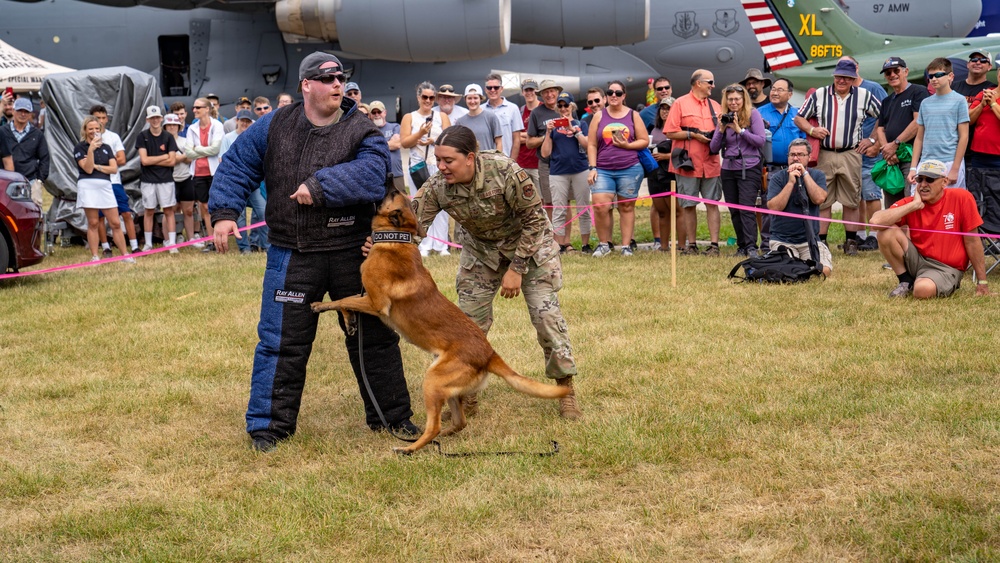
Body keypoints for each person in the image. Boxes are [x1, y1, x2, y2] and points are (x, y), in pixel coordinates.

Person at [209, 52, 416, 452]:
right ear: (307, 85)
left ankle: (392, 418)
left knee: (373, 340)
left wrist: (321, 187)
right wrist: (223, 212)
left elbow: (375, 175)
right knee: (280, 341)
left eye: (341, 77)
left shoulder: (361, 128)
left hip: (351, 253)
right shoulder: (275, 124)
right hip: (291, 252)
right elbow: (236, 166)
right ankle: (268, 429)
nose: (338, 84)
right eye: (328, 78)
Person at [413, 124, 581, 420]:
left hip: (530, 248)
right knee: (463, 329)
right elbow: (413, 225)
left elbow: (534, 220)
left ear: (471, 157)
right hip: (482, 253)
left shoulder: (504, 171)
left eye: (448, 160)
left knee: (547, 320)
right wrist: (384, 244)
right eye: (438, 160)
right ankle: (465, 396)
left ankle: (566, 388)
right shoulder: (439, 185)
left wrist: (516, 269)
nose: (441, 167)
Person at [794, 59, 881, 254]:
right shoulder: (820, 94)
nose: (841, 80)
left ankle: (851, 241)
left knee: (851, 198)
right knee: (823, 199)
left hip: (851, 152)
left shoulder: (864, 95)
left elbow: (883, 116)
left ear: (853, 78)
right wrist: (812, 129)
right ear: (834, 76)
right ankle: (822, 242)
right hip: (825, 153)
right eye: (839, 76)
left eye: (846, 77)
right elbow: (799, 117)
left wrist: (872, 140)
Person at [872, 159, 989, 298]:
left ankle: (923, 282)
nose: (923, 185)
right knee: (885, 232)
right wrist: (913, 205)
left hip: (946, 268)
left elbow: (973, 242)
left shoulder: (962, 198)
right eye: (920, 179)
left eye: (930, 180)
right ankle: (906, 281)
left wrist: (982, 282)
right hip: (918, 260)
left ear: (944, 182)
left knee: (922, 290)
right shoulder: (914, 202)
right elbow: (875, 222)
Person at [665, 69, 724, 255]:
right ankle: (692, 245)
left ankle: (714, 246)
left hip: (711, 162)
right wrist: (694, 135)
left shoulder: (716, 105)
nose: (713, 86)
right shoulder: (680, 103)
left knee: (712, 203)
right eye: (710, 82)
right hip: (687, 163)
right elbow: (670, 132)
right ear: (698, 83)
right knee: (688, 205)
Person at [586, 80, 648, 257]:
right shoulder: (599, 116)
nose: (614, 95)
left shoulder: (633, 115)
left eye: (618, 93)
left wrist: (627, 146)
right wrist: (592, 167)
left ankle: (626, 246)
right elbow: (591, 144)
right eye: (610, 92)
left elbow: (644, 140)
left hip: (629, 168)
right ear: (606, 96)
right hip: (603, 169)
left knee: (626, 207)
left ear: (624, 96)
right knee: (600, 205)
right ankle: (604, 244)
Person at [710, 83, 767, 256]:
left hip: (749, 167)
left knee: (746, 208)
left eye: (737, 99)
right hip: (728, 167)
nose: (734, 102)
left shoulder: (753, 114)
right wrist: (721, 129)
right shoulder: (724, 117)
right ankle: (742, 246)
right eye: (730, 99)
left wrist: (740, 130)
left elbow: (760, 141)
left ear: (744, 100)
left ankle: (751, 247)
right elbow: (713, 148)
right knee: (734, 209)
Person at [766, 138, 833, 275]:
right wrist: (790, 183)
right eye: (792, 155)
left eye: (800, 155)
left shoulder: (817, 175)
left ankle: (804, 269)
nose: (796, 158)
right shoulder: (777, 178)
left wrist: (805, 175)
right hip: (782, 240)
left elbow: (819, 198)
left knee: (823, 271)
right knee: (788, 270)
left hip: (809, 240)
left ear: (809, 157)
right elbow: (773, 207)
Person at [400, 81, 452, 256]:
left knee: (442, 204)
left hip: (438, 165)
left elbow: (450, 141)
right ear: (418, 98)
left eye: (431, 97)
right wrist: (420, 134)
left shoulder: (442, 117)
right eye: (425, 97)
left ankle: (441, 245)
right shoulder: (410, 117)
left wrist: (434, 141)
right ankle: (424, 243)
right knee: (420, 204)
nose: (428, 100)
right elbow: (405, 142)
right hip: (417, 166)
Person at [74, 116, 134, 263]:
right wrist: (91, 150)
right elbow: (87, 169)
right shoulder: (80, 147)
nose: (94, 131)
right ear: (85, 131)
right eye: (91, 129)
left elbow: (114, 169)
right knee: (93, 222)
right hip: (88, 186)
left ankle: (125, 254)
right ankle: (95, 256)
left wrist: (98, 167)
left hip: (106, 186)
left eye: (97, 128)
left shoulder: (107, 147)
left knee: (115, 222)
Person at [875, 57, 930, 208]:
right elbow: (880, 128)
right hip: (891, 159)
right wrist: (887, 150)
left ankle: (911, 233)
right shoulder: (887, 101)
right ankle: (893, 232)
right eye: (887, 73)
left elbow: (918, 122)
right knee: (892, 206)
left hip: (911, 158)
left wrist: (896, 144)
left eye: (896, 71)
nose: (892, 75)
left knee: (910, 201)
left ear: (906, 71)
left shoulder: (918, 92)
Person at [541, 91, 592, 253]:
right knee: (559, 209)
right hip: (558, 171)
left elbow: (587, 146)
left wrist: (575, 130)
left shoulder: (581, 123)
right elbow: (545, 153)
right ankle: (560, 245)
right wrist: (548, 133)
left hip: (580, 169)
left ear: (572, 106)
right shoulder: (553, 126)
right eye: (560, 106)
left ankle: (585, 244)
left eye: (566, 105)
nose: (563, 109)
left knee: (583, 208)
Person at [908, 58, 969, 189]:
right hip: (926, 162)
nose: (934, 79)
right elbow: (919, 138)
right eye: (931, 76)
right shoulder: (925, 103)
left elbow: (964, 136)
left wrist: (955, 169)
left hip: (949, 161)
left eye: (939, 75)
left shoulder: (959, 101)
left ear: (950, 76)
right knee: (920, 203)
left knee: (950, 206)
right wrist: (913, 167)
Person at [89, 104, 139, 256]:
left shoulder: (113, 137)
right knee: (100, 217)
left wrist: (101, 163)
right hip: (96, 182)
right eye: (98, 118)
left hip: (114, 181)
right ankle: (106, 247)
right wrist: (109, 162)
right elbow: (86, 163)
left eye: (104, 118)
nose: (101, 121)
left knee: (125, 213)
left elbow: (122, 159)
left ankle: (134, 245)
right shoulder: (87, 141)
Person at [219, 109, 266, 255]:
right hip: (236, 186)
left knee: (263, 212)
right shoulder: (228, 138)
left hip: (253, 184)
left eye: (247, 121)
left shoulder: (254, 137)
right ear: (237, 121)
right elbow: (222, 160)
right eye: (242, 120)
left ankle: (265, 245)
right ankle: (244, 248)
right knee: (239, 217)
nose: (244, 123)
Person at [137, 105, 178, 252]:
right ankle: (148, 243)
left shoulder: (168, 137)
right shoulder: (142, 136)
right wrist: (164, 156)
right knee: (149, 211)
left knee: (169, 210)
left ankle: (172, 243)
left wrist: (153, 159)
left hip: (165, 179)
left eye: (157, 117)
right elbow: (144, 161)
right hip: (148, 180)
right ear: (148, 119)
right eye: (152, 118)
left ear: (161, 118)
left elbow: (172, 161)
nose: (155, 120)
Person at [185, 97, 224, 251]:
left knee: (216, 206)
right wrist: (204, 150)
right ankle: (212, 241)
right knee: (205, 207)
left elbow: (215, 150)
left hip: (214, 171)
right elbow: (188, 153)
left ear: (207, 109)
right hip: (198, 173)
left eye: (198, 107)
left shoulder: (217, 125)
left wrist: (197, 149)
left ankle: (221, 238)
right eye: (194, 108)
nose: (194, 110)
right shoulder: (191, 128)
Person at [525, 79, 564, 223]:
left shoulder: (565, 107)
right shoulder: (536, 113)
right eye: (546, 92)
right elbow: (529, 143)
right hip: (546, 164)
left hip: (565, 162)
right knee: (548, 202)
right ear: (541, 95)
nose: (549, 94)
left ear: (557, 92)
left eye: (552, 91)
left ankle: (565, 242)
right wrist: (548, 135)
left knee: (565, 203)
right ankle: (552, 240)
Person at [648, 98, 679, 251]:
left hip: (672, 172)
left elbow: (686, 152)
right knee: (662, 211)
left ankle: (681, 246)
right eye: (663, 108)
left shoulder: (680, 128)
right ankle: (664, 246)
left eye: (669, 108)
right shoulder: (653, 129)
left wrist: (666, 156)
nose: (666, 111)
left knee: (678, 211)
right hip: (655, 173)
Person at [0, 98, 49, 193]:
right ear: (13, 111)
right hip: (5, 181)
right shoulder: (2, 132)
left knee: (32, 208)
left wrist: (39, 181)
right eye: (20, 111)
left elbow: (45, 159)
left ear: (30, 114)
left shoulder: (37, 134)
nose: (23, 114)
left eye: (26, 111)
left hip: (30, 181)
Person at [164, 113, 197, 246]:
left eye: (174, 125)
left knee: (188, 210)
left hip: (185, 177)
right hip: (169, 179)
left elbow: (191, 158)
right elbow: (169, 161)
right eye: (169, 125)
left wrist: (178, 158)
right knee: (170, 210)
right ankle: (168, 239)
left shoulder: (184, 141)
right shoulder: (163, 141)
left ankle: (191, 238)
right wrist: (182, 156)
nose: (172, 127)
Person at [483, 73, 522, 160]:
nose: (493, 90)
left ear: (501, 89)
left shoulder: (513, 109)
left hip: (505, 160)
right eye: (489, 88)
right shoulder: (481, 110)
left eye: (496, 87)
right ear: (485, 90)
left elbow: (516, 140)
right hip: (484, 161)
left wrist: (511, 162)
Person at [369, 100, 405, 194]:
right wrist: (389, 143)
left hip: (396, 174)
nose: (377, 114)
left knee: (401, 203)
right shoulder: (368, 131)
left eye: (379, 112)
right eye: (374, 112)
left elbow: (397, 144)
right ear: (370, 115)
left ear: (385, 112)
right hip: (377, 176)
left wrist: (376, 146)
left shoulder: (395, 126)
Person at [456, 84, 502, 151]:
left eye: (475, 98)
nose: (472, 101)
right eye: (469, 98)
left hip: (488, 160)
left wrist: (498, 159)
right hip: (469, 160)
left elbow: (499, 142)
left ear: (481, 99)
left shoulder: (491, 117)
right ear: (465, 99)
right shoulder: (460, 122)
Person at [516, 78, 541, 195]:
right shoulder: (519, 111)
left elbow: (545, 135)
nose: (529, 93)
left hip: (539, 164)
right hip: (522, 163)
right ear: (522, 92)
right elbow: (516, 137)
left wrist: (526, 136)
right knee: (525, 199)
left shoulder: (543, 109)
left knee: (543, 199)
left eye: (532, 89)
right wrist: (533, 135)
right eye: (526, 90)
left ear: (536, 91)